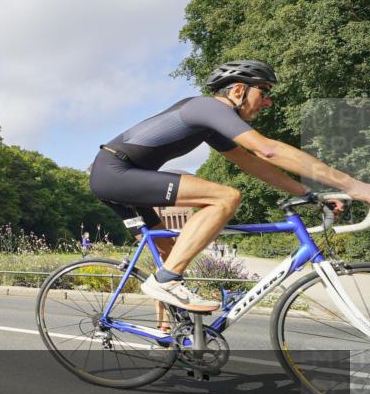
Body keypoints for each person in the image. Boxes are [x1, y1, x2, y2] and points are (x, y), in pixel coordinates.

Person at [89, 60, 369, 315]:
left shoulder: (210, 124)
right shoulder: (207, 108)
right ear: (238, 90)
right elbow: (267, 150)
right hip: (116, 172)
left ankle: (169, 335)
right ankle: (167, 281)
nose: (268, 102)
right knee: (225, 197)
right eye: (263, 91)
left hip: (122, 174)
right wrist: (354, 186)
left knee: (169, 253)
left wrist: (309, 194)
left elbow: (253, 164)